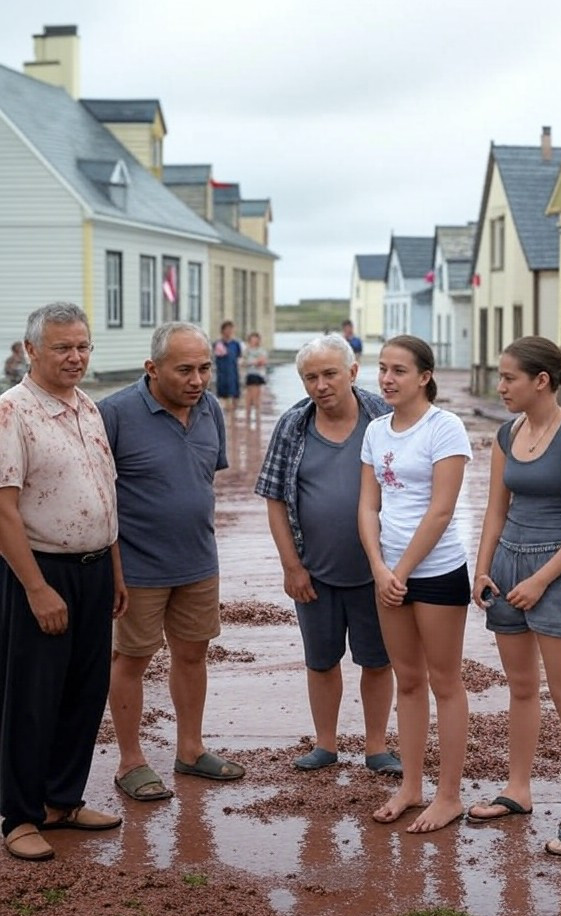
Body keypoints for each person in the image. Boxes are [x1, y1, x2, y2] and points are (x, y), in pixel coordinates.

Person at [467, 336, 561, 856]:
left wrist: (543, 578)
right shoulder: (507, 432)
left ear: (541, 380)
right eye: (501, 377)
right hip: (507, 567)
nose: (500, 386)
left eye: (509, 378)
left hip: (558, 571)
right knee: (520, 688)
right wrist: (481, 569)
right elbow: (495, 510)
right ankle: (518, 790)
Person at [0, 302, 126, 862]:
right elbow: (3, 510)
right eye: (62, 348)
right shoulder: (12, 413)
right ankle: (19, 816)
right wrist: (35, 588)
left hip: (95, 569)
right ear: (31, 351)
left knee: (84, 691)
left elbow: (106, 492)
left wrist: (115, 571)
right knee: (31, 697)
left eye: (83, 346)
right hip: (41, 571)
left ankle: (62, 801)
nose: (76, 357)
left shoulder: (88, 408)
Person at [99, 322, 245, 802]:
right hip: (137, 568)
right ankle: (131, 761)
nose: (198, 380)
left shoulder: (209, 411)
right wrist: (114, 569)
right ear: (152, 368)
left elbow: (202, 480)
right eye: (184, 369)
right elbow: (100, 498)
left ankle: (190, 749)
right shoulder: (114, 414)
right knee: (132, 659)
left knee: (192, 654)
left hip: (198, 561)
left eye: (204, 368)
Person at [255, 333, 400, 775]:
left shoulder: (384, 417)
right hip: (315, 572)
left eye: (330, 374)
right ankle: (326, 744)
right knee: (321, 661)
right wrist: (291, 566)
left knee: (377, 661)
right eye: (310, 377)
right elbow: (275, 498)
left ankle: (376, 746)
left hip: (377, 571)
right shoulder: (292, 426)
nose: (320, 385)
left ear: (353, 373)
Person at [358, 335, 473, 833]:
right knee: (406, 680)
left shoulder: (445, 428)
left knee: (444, 682)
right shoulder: (376, 430)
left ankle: (448, 796)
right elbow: (367, 505)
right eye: (382, 368)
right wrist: (380, 567)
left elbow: (442, 509)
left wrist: (400, 571)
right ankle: (410, 785)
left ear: (425, 376)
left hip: (437, 571)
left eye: (399, 370)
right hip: (388, 575)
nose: (386, 378)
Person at [214, 320, 242, 411]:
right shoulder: (217, 344)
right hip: (221, 374)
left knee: (234, 399)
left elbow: (239, 358)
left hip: (233, 374)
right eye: (227, 329)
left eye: (231, 329)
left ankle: (233, 422)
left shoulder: (236, 344)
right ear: (222, 331)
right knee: (222, 399)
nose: (229, 331)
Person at [243, 331, 268, 425]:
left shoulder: (261, 350)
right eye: (252, 339)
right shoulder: (247, 350)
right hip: (249, 375)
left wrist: (252, 362)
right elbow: (242, 362)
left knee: (256, 397)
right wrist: (254, 362)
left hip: (258, 375)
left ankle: (257, 418)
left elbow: (263, 361)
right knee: (248, 397)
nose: (254, 341)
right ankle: (248, 418)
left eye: (255, 339)